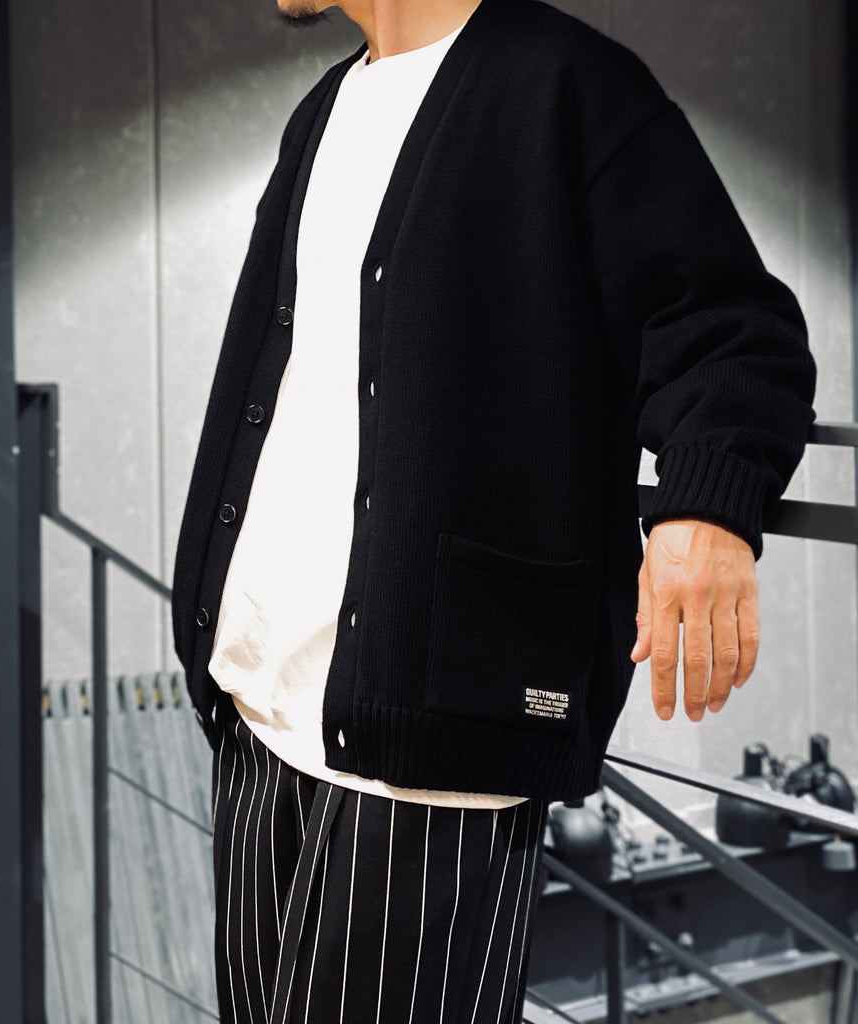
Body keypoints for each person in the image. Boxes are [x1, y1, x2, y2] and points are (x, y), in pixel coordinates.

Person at [170, 0, 818, 1020]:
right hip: (259, 708)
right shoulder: (324, 108)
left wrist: (705, 509)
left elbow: (731, 329)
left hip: (432, 744)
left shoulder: (569, 86)